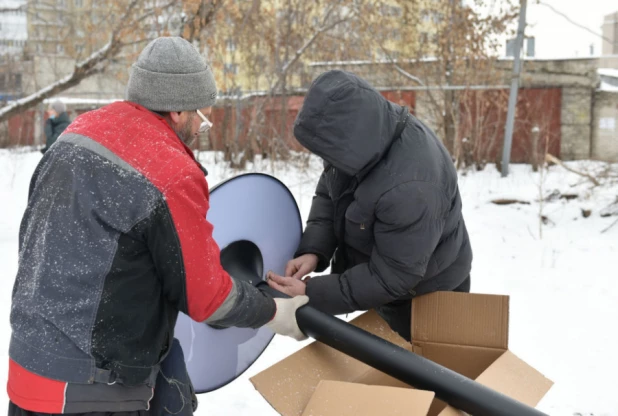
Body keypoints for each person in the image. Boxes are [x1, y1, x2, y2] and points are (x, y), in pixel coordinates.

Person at [8, 36, 308, 416]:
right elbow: (207, 297)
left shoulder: (76, 135)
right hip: (93, 390)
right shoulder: (169, 171)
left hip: (28, 369)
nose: (202, 126)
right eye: (202, 114)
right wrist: (275, 314)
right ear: (178, 111)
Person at [267, 70, 472, 342]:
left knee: (414, 375)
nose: (324, 160)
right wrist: (314, 249)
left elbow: (393, 276)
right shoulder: (362, 143)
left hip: (425, 293)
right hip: (382, 280)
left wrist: (311, 292)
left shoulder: (411, 188)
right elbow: (331, 191)